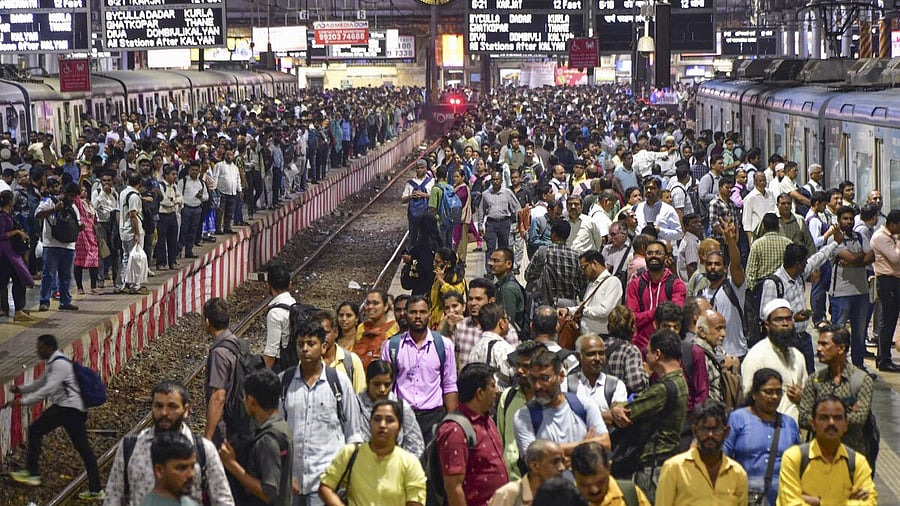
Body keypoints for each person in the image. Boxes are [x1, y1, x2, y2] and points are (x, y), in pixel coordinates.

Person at [6, 334, 104, 501]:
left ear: (49, 348)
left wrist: (22, 402)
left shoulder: (59, 364)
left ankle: (32, 473)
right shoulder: (55, 361)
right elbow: (40, 383)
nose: (38, 350)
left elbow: (47, 389)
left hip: (68, 409)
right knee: (84, 450)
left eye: (40, 347)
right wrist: (21, 390)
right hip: (72, 410)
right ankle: (96, 490)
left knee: (35, 429)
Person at [104, 381, 233, 505]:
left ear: (186, 410)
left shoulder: (204, 449)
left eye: (172, 406)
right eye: (158, 406)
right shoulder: (130, 447)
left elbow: (222, 499)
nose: (164, 413)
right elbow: (113, 497)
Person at [280, 317, 363, 506]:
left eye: (311, 343)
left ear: (323, 347)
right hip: (292, 481)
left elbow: (353, 433)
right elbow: (277, 432)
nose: (305, 349)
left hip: (327, 481)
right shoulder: (284, 383)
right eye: (300, 344)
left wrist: (347, 477)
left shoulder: (339, 383)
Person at [608, 330, 689, 500]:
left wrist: (615, 408)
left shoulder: (663, 389)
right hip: (665, 463)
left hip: (652, 469)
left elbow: (628, 412)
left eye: (648, 352)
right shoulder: (680, 381)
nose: (646, 357)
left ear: (658, 354)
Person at [319, 399, 427, 506]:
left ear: (399, 428)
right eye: (377, 419)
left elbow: (416, 500)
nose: (382, 425)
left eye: (389, 420)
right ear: (370, 424)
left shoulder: (410, 463)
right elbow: (326, 486)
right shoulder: (350, 453)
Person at [381, 295, 459, 442]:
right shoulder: (392, 346)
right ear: (406, 314)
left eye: (422, 312)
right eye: (413, 312)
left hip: (434, 419)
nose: (418, 316)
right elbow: (385, 386)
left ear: (429, 313)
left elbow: (449, 385)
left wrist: (452, 421)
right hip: (402, 417)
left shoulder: (444, 345)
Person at [777, 395, 877, 505]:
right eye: (824, 418)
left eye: (837, 418)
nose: (831, 423)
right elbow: (790, 503)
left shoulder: (857, 462)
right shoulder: (794, 458)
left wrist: (819, 502)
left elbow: (870, 502)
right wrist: (845, 501)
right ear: (813, 424)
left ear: (846, 425)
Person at [798, 325, 875, 467]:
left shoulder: (861, 380)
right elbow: (803, 418)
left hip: (851, 460)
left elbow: (860, 418)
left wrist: (819, 418)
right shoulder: (815, 380)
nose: (819, 349)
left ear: (841, 349)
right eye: (818, 344)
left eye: (824, 344)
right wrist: (846, 413)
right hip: (818, 459)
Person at [513, 348, 610, 459]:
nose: (537, 386)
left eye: (544, 378)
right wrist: (585, 446)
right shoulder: (524, 416)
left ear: (561, 376)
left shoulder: (584, 405)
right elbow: (534, 460)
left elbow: (605, 443)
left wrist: (552, 453)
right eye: (533, 379)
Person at [724, 368, 800, 506]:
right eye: (769, 392)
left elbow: (798, 464)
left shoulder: (789, 424)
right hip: (745, 497)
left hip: (782, 498)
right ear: (754, 394)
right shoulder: (738, 419)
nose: (775, 397)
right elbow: (724, 457)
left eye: (778, 392)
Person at [437, 363, 509, 506]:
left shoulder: (488, 421)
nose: (496, 391)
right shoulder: (455, 430)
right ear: (480, 393)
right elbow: (453, 487)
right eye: (492, 386)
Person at [218, 369, 292, 505]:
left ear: (252, 401)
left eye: (245, 397)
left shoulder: (268, 440)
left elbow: (268, 493)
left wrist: (231, 464)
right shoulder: (282, 427)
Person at [655, 400, 748, 505]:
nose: (710, 435)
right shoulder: (674, 468)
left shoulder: (738, 474)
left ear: (726, 432)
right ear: (694, 431)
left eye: (716, 429)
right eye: (704, 429)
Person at [741, 299, 808, 423]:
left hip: (798, 430)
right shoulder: (756, 356)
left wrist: (802, 396)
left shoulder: (798, 356)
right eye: (778, 320)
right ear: (767, 325)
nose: (785, 324)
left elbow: (807, 391)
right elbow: (748, 397)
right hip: (769, 430)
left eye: (788, 319)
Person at [828, 205, 874, 368]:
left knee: (860, 334)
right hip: (841, 294)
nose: (848, 221)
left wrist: (854, 261)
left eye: (851, 218)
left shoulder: (860, 236)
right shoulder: (834, 239)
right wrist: (858, 260)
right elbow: (855, 258)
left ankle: (858, 367)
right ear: (838, 220)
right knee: (839, 333)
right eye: (845, 219)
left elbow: (871, 256)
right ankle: (837, 368)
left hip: (861, 292)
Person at [202, 297, 248, 447]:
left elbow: (218, 397)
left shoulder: (219, 353)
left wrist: (208, 437)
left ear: (207, 322)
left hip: (226, 428)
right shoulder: (238, 343)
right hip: (240, 418)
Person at [626, 240, 687, 353]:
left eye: (658, 253)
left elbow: (674, 315)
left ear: (666, 257)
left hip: (669, 346)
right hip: (640, 346)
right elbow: (632, 318)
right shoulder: (635, 284)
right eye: (650, 253)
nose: (653, 256)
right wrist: (659, 311)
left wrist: (645, 316)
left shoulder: (677, 284)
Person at [497, 341, 546, 480]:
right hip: (509, 482)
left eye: (526, 367)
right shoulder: (508, 397)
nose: (519, 371)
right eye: (519, 365)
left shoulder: (551, 402)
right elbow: (500, 439)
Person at [358, 360, 425, 458]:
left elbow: (416, 445)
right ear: (368, 382)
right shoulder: (356, 405)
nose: (382, 389)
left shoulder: (401, 406)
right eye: (376, 384)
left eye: (387, 385)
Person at [35, 181, 81, 311]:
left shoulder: (74, 207)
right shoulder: (48, 201)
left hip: (69, 246)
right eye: (70, 195)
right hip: (51, 245)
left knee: (66, 276)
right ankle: (44, 301)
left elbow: (77, 224)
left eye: (74, 197)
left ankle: (65, 301)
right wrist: (54, 209)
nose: (72, 199)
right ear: (64, 193)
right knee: (48, 274)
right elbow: (37, 215)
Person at [455, 277, 520, 368]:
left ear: (491, 301)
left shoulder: (506, 330)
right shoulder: (461, 326)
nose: (473, 303)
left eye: (478, 299)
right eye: (470, 299)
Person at [567, 335, 628, 423]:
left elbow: (619, 419)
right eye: (591, 354)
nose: (597, 358)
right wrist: (606, 414)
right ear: (578, 356)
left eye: (601, 353)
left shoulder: (616, 385)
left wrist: (578, 416)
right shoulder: (567, 384)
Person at [571, 441, 652, 506]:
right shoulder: (565, 500)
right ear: (574, 475)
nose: (594, 490)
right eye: (585, 485)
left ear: (609, 467)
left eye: (600, 482)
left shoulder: (630, 494)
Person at [488, 439, 567, 506]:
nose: (562, 468)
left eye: (563, 462)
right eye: (555, 462)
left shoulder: (562, 495)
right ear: (535, 466)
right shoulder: (510, 493)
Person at [525, 220, 586, 307]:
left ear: (553, 235)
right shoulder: (577, 256)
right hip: (568, 306)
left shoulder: (542, 252)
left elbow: (528, 275)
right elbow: (582, 284)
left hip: (544, 304)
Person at [561, 250, 621, 337]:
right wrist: (568, 310)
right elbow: (585, 307)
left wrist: (582, 311)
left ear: (594, 263)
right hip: (585, 336)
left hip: (602, 337)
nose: (582, 272)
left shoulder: (613, 282)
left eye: (583, 267)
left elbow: (605, 311)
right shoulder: (591, 283)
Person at [870, 209, 900, 371]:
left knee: (892, 320)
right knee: (887, 322)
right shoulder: (881, 237)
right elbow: (895, 258)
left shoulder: (890, 237)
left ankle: (885, 357)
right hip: (886, 281)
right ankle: (883, 359)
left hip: (895, 281)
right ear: (893, 224)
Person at [140, 433, 200, 506]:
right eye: (181, 468)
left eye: (192, 466)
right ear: (159, 470)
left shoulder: (189, 503)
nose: (191, 474)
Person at [0, 190, 33, 321]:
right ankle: (5, 308)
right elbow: (1, 235)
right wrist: (17, 232)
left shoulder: (10, 215)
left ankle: (18, 310)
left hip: (12, 254)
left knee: (18, 281)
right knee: (3, 282)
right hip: (5, 255)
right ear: (10, 201)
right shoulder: (2, 217)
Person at [469, 302, 517, 387]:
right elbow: (514, 376)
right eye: (507, 318)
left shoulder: (474, 349)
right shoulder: (505, 349)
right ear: (501, 323)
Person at [604, 305, 650, 394]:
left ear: (608, 327)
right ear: (633, 328)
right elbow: (635, 384)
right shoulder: (630, 351)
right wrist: (646, 374)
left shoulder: (599, 345)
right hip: (620, 402)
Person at [116, 172, 148, 295]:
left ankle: (122, 284)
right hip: (133, 230)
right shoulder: (134, 196)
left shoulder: (123, 192)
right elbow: (133, 215)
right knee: (136, 258)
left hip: (123, 230)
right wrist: (137, 233)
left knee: (126, 257)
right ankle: (135, 285)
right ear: (139, 183)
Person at [354, 289, 399, 370]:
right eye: (368, 303)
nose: (370, 307)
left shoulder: (394, 328)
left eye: (375, 303)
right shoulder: (362, 327)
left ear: (385, 306)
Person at [264, 263, 297, 371]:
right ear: (290, 284)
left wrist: (262, 378)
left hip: (282, 366)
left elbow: (271, 353)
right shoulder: (294, 304)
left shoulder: (275, 313)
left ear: (268, 285)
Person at [430, 246, 467, 328]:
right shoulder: (439, 275)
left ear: (448, 264)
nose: (434, 264)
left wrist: (442, 282)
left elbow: (456, 295)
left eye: (437, 262)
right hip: (435, 320)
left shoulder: (456, 277)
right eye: (434, 261)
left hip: (449, 321)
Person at [403, 159, 433, 247]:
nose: (419, 170)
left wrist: (424, 195)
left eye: (421, 168)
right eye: (418, 168)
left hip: (427, 213)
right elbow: (403, 199)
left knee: (427, 235)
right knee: (413, 235)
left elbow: (435, 197)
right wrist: (411, 196)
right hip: (413, 215)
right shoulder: (410, 183)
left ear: (426, 169)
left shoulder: (431, 181)